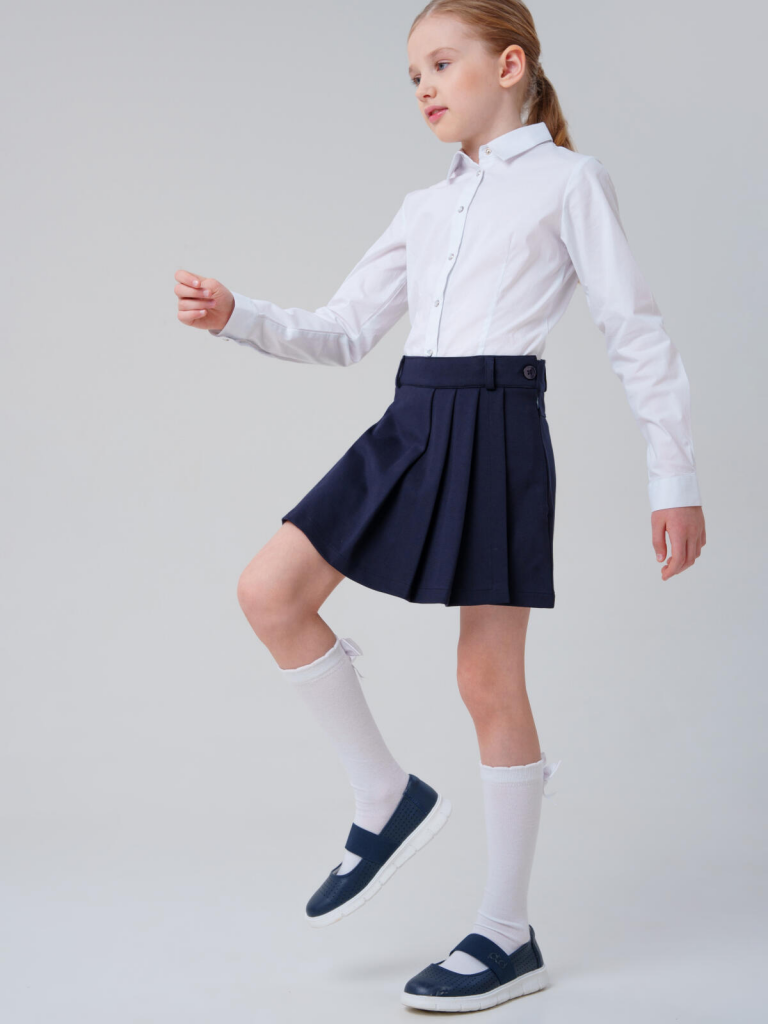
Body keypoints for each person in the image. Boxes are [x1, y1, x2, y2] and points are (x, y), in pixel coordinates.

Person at [174, 0, 706, 1012]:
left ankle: (507, 932)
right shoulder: (425, 208)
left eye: (441, 63)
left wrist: (671, 476)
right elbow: (344, 330)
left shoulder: (570, 182)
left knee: (486, 679)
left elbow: (634, 328)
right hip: (410, 419)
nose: (423, 86)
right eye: (413, 73)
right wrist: (240, 315)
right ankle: (386, 793)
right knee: (270, 591)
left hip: (498, 424)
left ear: (510, 66)